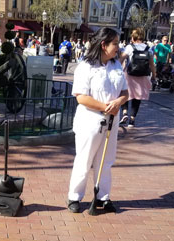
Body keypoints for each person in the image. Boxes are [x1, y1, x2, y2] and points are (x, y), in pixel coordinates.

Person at [67, 27, 128, 214]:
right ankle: (75, 197)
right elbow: (81, 97)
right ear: (104, 45)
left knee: (106, 160)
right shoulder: (86, 67)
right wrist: (105, 107)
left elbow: (125, 92)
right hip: (90, 120)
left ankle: (102, 196)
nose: (118, 47)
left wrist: (119, 101)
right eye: (115, 43)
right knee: (84, 159)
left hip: (112, 119)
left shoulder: (116, 65)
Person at [119, 28, 156, 128]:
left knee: (125, 93)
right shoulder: (148, 49)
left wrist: (117, 70)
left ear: (133, 36)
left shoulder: (130, 47)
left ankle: (125, 113)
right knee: (137, 98)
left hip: (130, 75)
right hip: (142, 76)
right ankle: (132, 119)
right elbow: (152, 65)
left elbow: (121, 59)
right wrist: (154, 76)